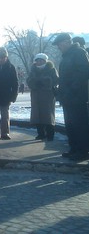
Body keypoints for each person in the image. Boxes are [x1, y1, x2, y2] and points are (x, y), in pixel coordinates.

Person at [52, 33, 89, 161]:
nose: (58, 47)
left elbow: (84, 72)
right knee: (70, 125)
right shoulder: (67, 56)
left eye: (59, 44)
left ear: (67, 41)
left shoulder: (78, 53)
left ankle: (83, 151)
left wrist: (71, 88)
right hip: (67, 97)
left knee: (80, 125)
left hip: (77, 97)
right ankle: (74, 148)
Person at [26, 53, 59, 141]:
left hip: (48, 95)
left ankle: (50, 134)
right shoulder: (33, 70)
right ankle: (40, 134)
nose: (39, 62)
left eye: (41, 60)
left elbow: (56, 80)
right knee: (37, 115)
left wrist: (46, 82)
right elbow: (28, 80)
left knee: (48, 115)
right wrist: (34, 83)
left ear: (45, 61)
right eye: (37, 60)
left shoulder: (51, 69)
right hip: (36, 95)